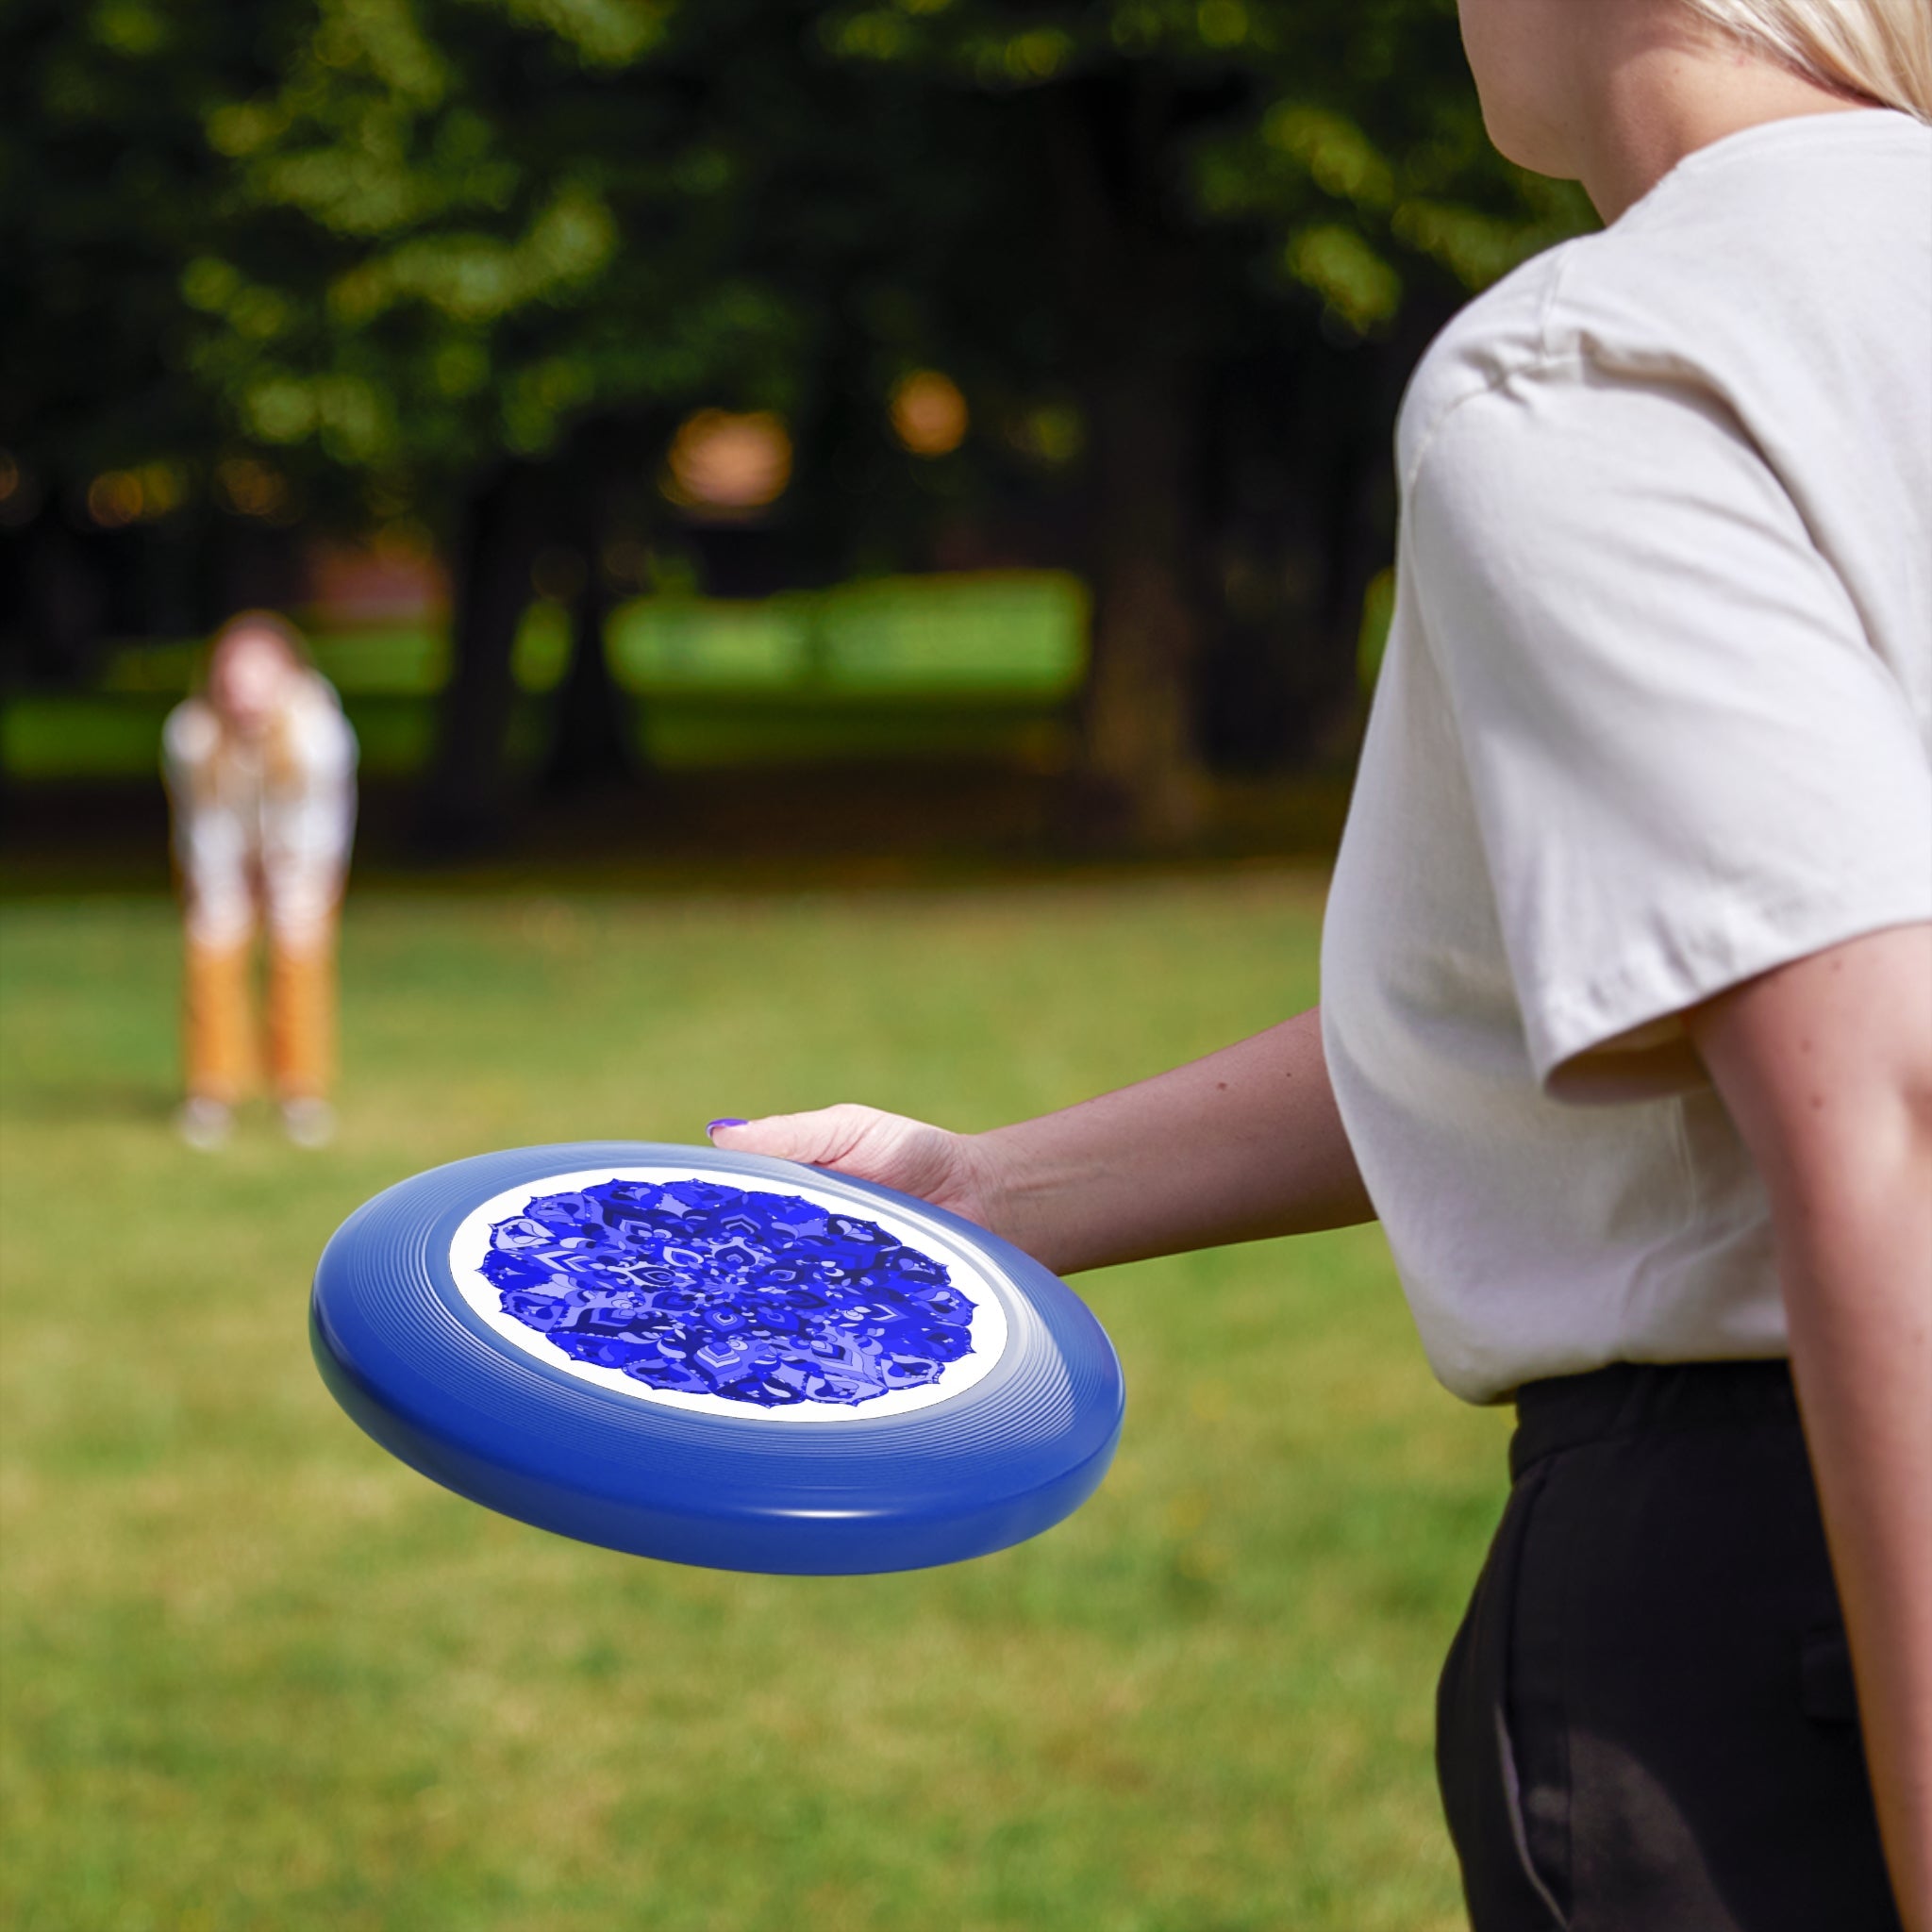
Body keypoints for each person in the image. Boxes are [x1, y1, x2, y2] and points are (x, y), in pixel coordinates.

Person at [707, 2, 1932, 1925]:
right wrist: (990, 1191)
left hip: (1795, 1590)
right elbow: (1643, 985)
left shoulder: (1607, 361)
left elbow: (1884, 1099)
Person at [162, 611, 358, 1150]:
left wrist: (288, 881)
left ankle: (301, 1092)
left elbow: (318, 824)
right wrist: (224, 888)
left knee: (299, 958)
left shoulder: (319, 734)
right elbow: (204, 824)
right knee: (212, 952)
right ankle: (212, 1091)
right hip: (221, 856)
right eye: (233, 675)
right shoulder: (191, 735)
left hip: (302, 858)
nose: (244, 690)